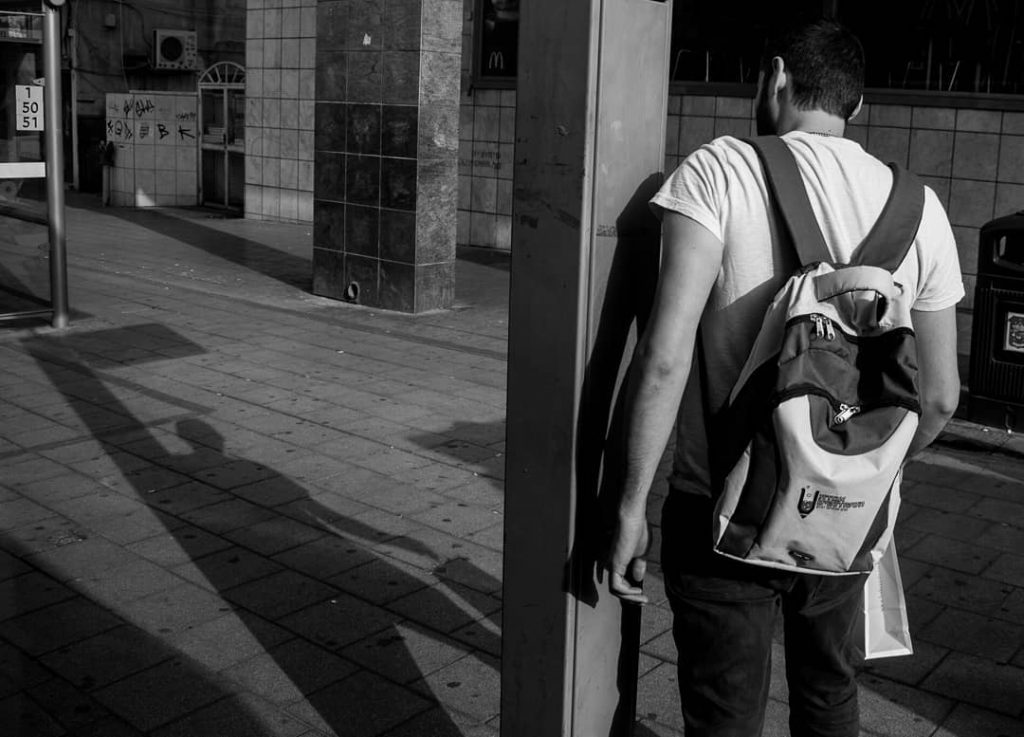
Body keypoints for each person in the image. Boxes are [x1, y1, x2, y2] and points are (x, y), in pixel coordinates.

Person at [606, 19, 963, 737]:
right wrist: (856, 473)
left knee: (724, 715)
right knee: (829, 695)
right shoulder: (922, 210)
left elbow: (665, 356)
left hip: (719, 510)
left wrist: (628, 508)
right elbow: (941, 396)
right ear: (856, 108)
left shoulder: (720, 170)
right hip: (845, 517)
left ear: (773, 77)